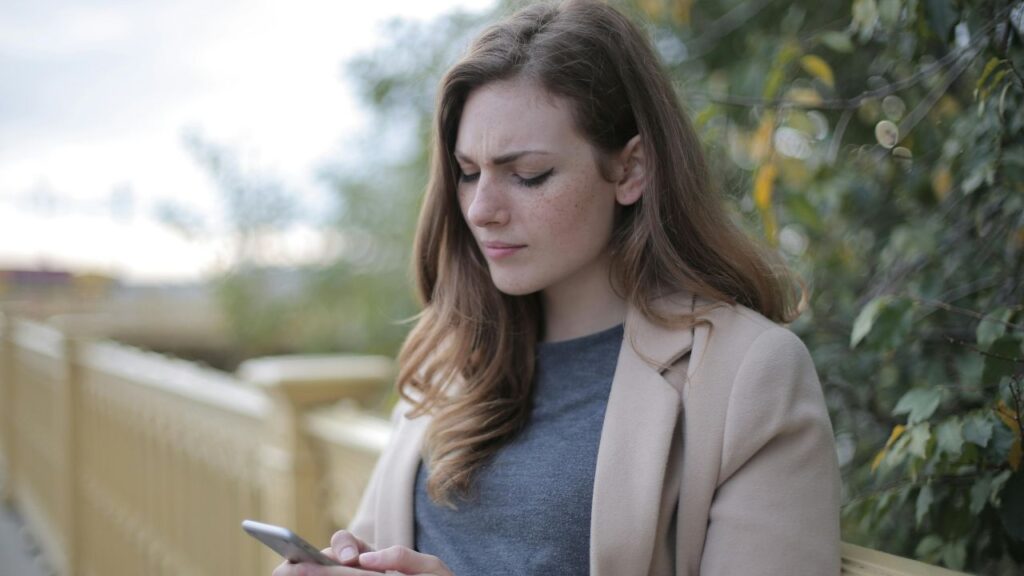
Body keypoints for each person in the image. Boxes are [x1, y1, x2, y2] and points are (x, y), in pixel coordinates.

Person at [274, 0, 841, 574]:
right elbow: (376, 543)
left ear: (630, 170)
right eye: (468, 172)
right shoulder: (453, 357)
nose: (481, 209)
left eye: (528, 175)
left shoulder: (749, 374)